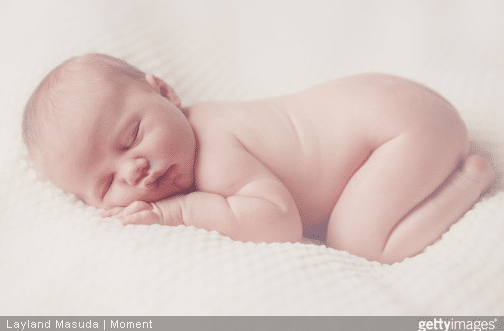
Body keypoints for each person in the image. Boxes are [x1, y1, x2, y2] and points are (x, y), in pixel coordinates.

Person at [22, 53, 495, 264]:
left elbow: (278, 221)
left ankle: (467, 181)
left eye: (133, 135)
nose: (134, 170)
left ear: (164, 92)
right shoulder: (197, 135)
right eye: (106, 185)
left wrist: (177, 211)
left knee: (357, 243)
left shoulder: (212, 145)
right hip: (396, 107)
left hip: (402, 132)